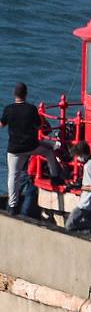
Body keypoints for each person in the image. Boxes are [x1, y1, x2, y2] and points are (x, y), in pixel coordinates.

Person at [2, 83, 41, 214]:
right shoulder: (31, 109)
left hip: (14, 148)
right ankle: (55, 175)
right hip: (30, 147)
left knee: (13, 176)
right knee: (49, 150)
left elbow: (1, 124)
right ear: (26, 94)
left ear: (15, 94)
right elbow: (39, 126)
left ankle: (12, 206)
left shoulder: (8, 109)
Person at [65, 141, 91, 234]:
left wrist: (76, 187)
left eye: (77, 155)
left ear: (82, 154)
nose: (77, 158)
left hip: (86, 202)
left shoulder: (88, 166)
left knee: (69, 225)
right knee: (89, 229)